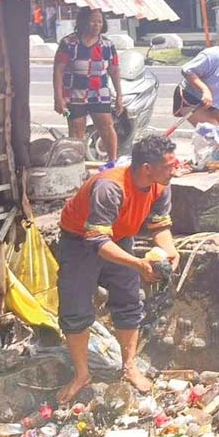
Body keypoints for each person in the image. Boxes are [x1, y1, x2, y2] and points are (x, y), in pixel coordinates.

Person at [55, 134, 180, 403]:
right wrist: (137, 264)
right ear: (147, 168)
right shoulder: (110, 188)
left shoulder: (160, 186)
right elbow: (97, 241)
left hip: (121, 236)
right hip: (80, 241)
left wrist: (169, 250)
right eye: (170, 165)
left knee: (129, 300)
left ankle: (129, 367)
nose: (175, 169)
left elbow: (160, 227)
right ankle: (81, 374)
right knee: (75, 308)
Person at [53, 7, 124, 162]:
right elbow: (58, 71)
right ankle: (77, 165)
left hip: (100, 93)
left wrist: (119, 95)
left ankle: (112, 162)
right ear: (83, 22)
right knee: (76, 130)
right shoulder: (68, 43)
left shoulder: (107, 45)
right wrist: (58, 98)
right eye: (93, 21)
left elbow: (114, 70)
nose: (96, 25)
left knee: (106, 126)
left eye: (99, 21)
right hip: (74, 94)